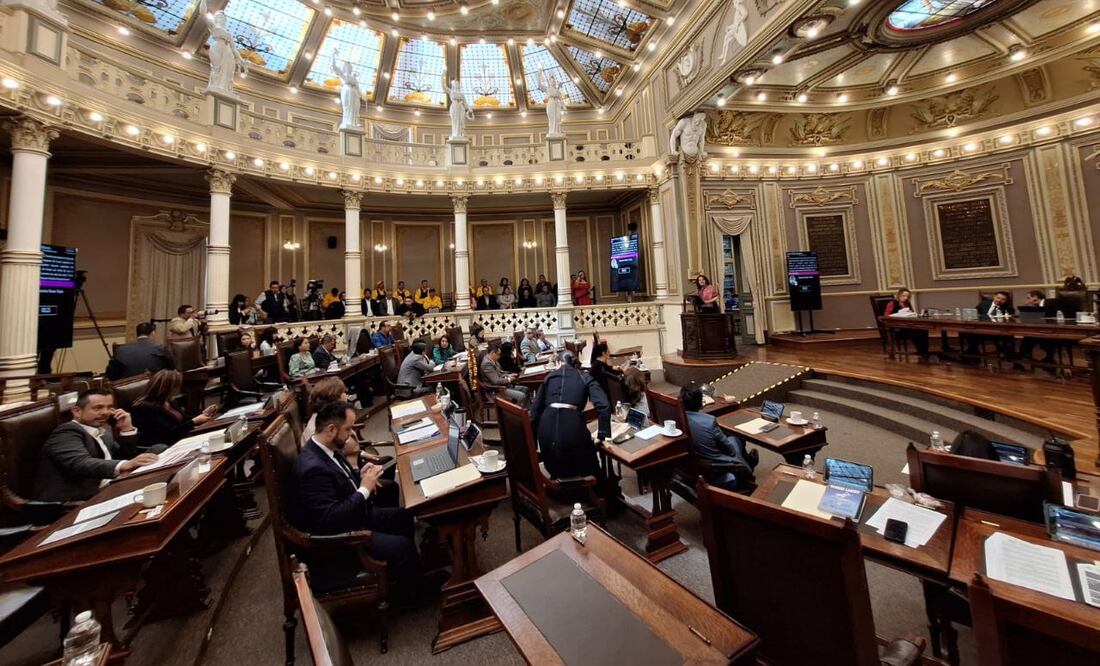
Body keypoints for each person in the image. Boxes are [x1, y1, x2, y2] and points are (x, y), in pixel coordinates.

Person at [290, 401, 418, 598]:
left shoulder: (325, 447)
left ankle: (407, 576)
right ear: (331, 429)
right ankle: (412, 595)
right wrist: (364, 489)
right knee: (402, 546)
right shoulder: (312, 469)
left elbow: (338, 482)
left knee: (403, 516)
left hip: (355, 517)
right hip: (341, 542)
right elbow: (330, 518)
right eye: (348, 429)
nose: (351, 434)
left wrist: (359, 475)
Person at [34, 388, 162, 502]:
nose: (105, 413)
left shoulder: (102, 431)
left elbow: (123, 456)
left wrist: (126, 429)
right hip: (77, 499)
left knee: (159, 449)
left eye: (109, 407)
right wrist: (126, 464)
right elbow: (80, 463)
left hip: (111, 486)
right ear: (77, 411)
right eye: (98, 408)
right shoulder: (66, 432)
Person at [529, 351, 611, 480]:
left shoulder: (549, 378)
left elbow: (533, 414)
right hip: (572, 428)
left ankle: (559, 484)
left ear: (558, 363)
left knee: (556, 462)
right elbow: (604, 405)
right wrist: (602, 434)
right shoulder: (585, 377)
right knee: (592, 468)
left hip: (546, 430)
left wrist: (533, 445)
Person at [681, 383, 756, 493]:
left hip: (694, 460)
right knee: (735, 439)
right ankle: (748, 468)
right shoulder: (709, 421)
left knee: (730, 440)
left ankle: (748, 461)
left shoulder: (677, 417)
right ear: (700, 402)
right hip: (714, 464)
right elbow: (730, 451)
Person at [131, 370, 219, 448]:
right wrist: (194, 421)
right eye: (176, 386)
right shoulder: (144, 408)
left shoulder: (169, 401)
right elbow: (168, 434)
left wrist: (203, 414)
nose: (179, 389)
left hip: (182, 439)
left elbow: (183, 420)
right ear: (167, 388)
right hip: (165, 446)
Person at [107, 322, 174, 380]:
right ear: (153, 333)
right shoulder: (161, 349)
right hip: (154, 391)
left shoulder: (121, 350)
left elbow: (110, 376)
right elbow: (173, 370)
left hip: (128, 392)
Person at [884, 288, 929, 358]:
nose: (905, 298)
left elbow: (911, 313)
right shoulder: (892, 303)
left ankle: (924, 351)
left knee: (924, 330)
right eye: (903, 296)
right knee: (916, 331)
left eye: (907, 296)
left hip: (907, 325)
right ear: (899, 295)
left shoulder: (907, 303)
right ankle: (922, 351)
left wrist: (912, 314)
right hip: (897, 328)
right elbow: (886, 316)